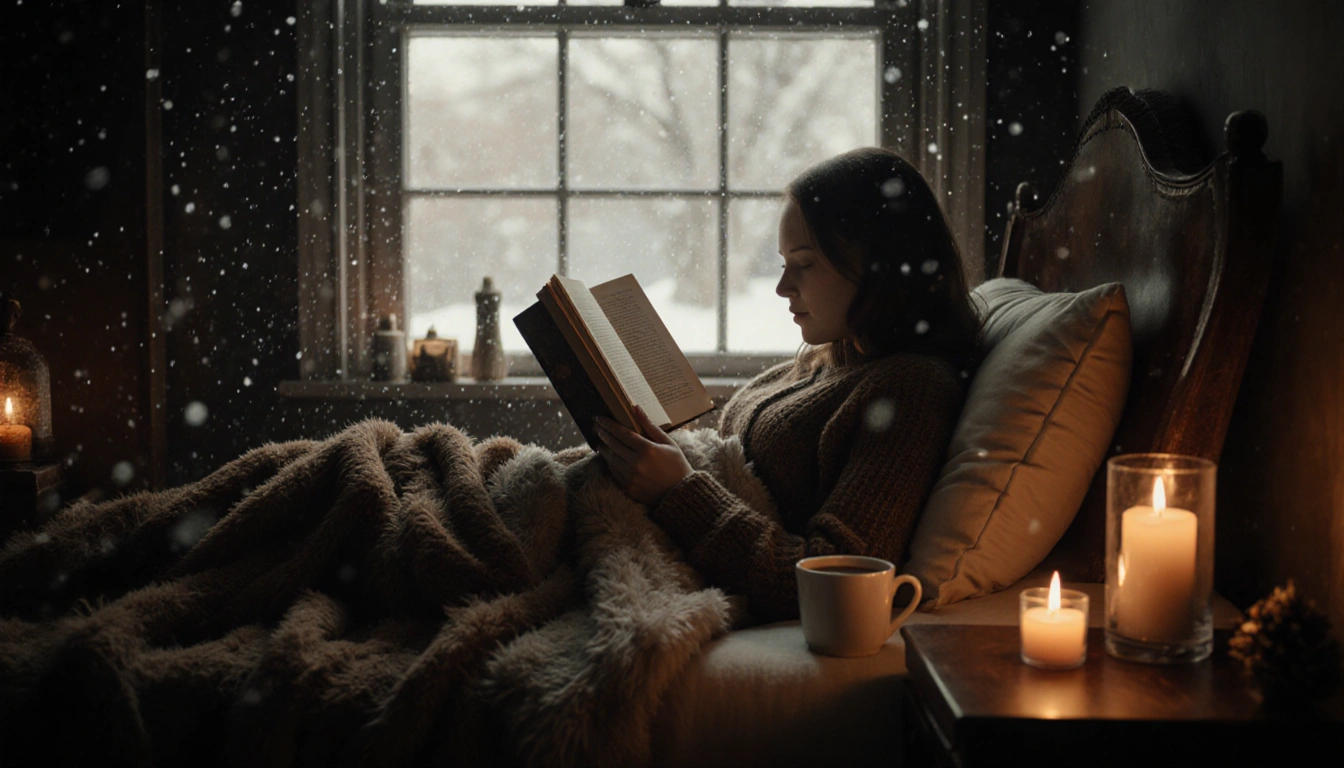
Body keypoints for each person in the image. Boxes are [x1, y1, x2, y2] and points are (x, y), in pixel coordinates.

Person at [593, 147, 982, 622]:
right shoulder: (833, 356)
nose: (782, 287)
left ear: (878, 263)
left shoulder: (910, 390)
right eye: (783, 262)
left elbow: (835, 580)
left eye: (805, 263)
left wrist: (679, 492)